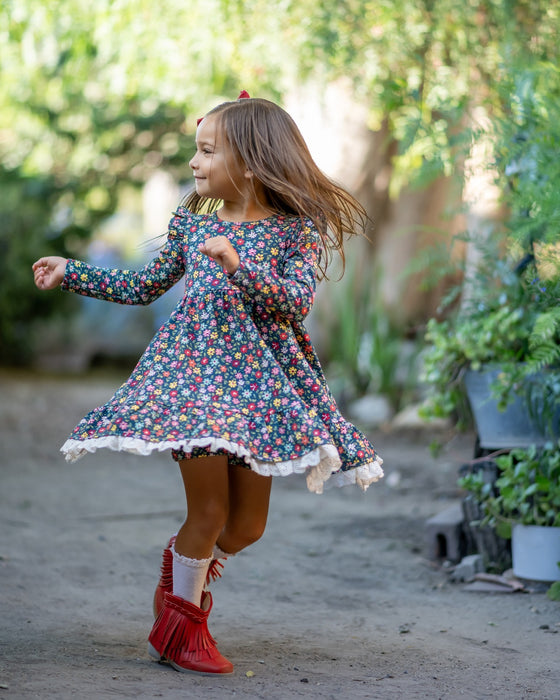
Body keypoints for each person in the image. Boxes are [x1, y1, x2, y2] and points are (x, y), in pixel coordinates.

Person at [32, 92, 384, 676]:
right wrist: (74, 271)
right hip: (192, 385)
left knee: (246, 527)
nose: (193, 164)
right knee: (210, 510)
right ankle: (182, 628)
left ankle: (182, 574)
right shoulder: (191, 225)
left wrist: (239, 266)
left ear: (247, 161)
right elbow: (145, 285)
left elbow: (295, 303)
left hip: (258, 394)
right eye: (194, 152)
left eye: (206, 151)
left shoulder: (294, 233)